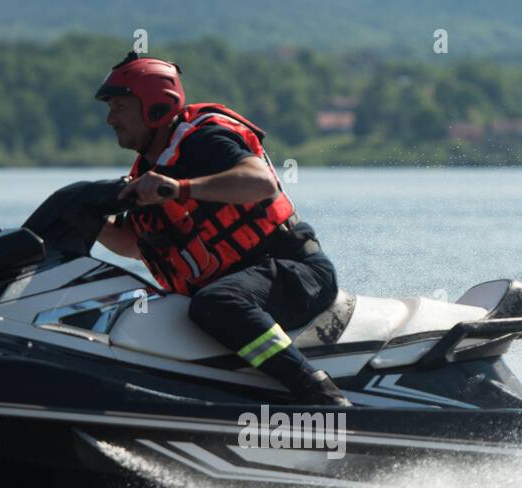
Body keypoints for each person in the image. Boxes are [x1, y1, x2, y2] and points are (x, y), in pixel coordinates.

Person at [94, 52, 350, 406]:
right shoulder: (147, 173)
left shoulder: (203, 139)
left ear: (154, 106)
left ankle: (319, 395)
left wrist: (179, 188)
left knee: (217, 302)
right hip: (248, 285)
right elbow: (133, 244)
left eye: (119, 107)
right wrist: (86, 220)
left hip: (297, 271)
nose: (110, 119)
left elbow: (260, 183)